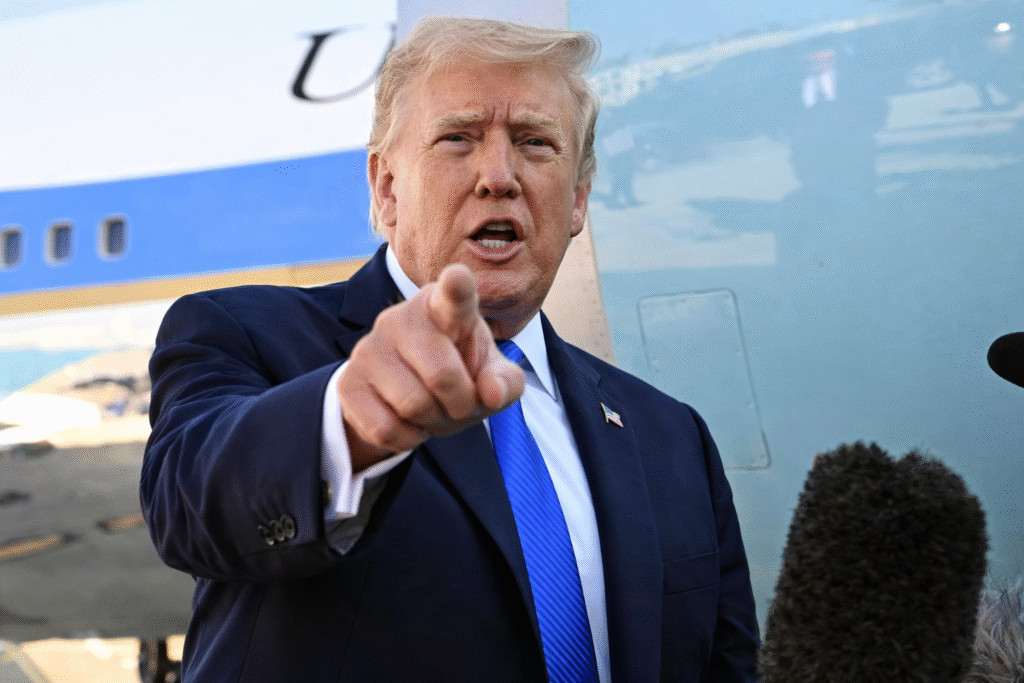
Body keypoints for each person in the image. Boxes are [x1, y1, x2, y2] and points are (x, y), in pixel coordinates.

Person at [141, 17, 758, 683]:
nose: (499, 175)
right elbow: (189, 505)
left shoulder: (672, 437)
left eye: (535, 143)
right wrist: (350, 425)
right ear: (386, 189)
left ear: (578, 199)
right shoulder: (247, 333)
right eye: (457, 138)